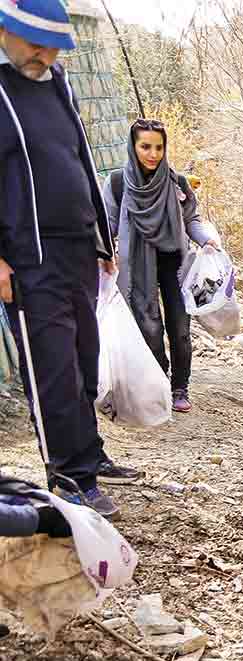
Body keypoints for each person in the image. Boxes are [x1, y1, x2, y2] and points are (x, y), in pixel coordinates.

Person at [0, 0, 132, 517]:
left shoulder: (58, 83)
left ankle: (89, 454)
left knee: (82, 357)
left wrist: (102, 236)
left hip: (78, 249)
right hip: (30, 258)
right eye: (35, 42)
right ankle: (69, 478)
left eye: (52, 44)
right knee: (51, 367)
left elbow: (81, 157)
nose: (43, 53)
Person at [103, 117, 221, 415]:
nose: (153, 154)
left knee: (180, 329)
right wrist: (103, 253)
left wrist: (206, 240)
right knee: (148, 328)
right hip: (137, 269)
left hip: (176, 266)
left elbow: (192, 219)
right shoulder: (118, 184)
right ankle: (159, 379)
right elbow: (107, 224)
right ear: (133, 147)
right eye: (145, 146)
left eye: (158, 147)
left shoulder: (177, 182)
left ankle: (180, 386)